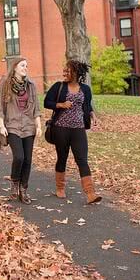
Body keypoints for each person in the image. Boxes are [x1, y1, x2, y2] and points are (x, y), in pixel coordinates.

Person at [44, 60, 102, 204]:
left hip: (78, 129)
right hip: (61, 128)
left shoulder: (85, 89)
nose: (64, 73)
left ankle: (90, 193)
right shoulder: (59, 87)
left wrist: (93, 116)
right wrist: (61, 104)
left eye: (67, 71)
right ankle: (60, 187)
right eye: (64, 70)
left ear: (76, 73)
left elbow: (87, 107)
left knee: (82, 159)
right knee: (62, 158)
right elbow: (47, 102)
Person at [0, 57, 43, 205]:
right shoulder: (5, 84)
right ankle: (14, 183)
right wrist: (2, 126)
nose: (25, 68)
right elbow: (1, 107)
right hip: (12, 126)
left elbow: (36, 107)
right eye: (22, 65)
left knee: (28, 160)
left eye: (26, 66)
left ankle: (23, 190)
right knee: (19, 157)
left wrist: (39, 125)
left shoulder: (31, 85)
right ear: (15, 67)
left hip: (29, 126)